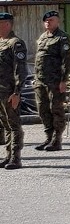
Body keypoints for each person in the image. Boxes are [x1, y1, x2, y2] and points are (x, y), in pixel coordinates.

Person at [34, 10, 70, 152]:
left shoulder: (62, 38)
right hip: (40, 81)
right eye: (46, 20)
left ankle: (57, 140)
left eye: (51, 20)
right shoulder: (43, 37)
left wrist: (64, 80)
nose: (48, 22)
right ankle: (48, 137)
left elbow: (67, 60)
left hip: (55, 81)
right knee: (42, 109)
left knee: (56, 109)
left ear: (58, 21)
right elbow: (39, 60)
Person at [0, 13, 28, 169]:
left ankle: (15, 158)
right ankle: (8, 155)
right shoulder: (1, 42)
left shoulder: (15, 43)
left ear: (7, 24)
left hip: (10, 92)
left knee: (14, 125)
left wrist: (17, 92)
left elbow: (20, 70)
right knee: (6, 125)